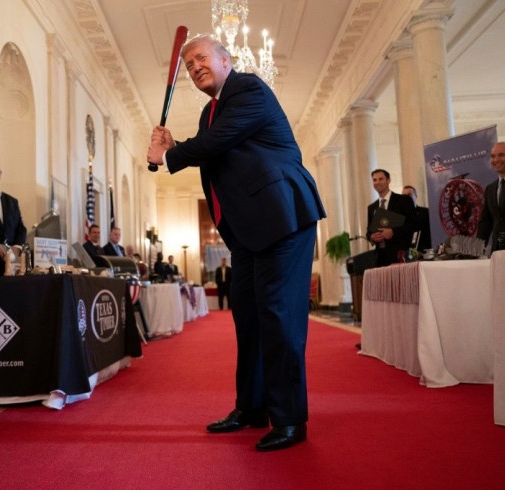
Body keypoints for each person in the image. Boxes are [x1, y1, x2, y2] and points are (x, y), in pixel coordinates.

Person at [147, 34, 326, 452]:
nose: (194, 67)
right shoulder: (211, 112)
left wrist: (167, 157)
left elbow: (215, 144)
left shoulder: (248, 87)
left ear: (226, 60)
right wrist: (174, 146)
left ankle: (289, 419)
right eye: (189, 65)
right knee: (247, 319)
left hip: (282, 218)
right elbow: (213, 152)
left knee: (280, 320)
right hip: (247, 232)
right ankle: (252, 407)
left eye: (201, 58)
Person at [0, 158, 27, 276]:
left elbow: (21, 228)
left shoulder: (12, 201)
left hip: (12, 264)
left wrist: (17, 248)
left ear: (0, 174)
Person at [367, 169, 416, 267]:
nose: (377, 182)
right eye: (374, 180)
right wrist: (372, 237)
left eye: (381, 179)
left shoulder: (403, 200)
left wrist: (393, 231)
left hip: (401, 255)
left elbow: (413, 224)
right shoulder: (372, 207)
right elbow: (368, 231)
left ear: (388, 180)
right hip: (380, 257)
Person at [401, 185, 432, 251]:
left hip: (423, 251)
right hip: (405, 253)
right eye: (404, 195)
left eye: (409, 194)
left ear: (415, 196)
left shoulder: (425, 212)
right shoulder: (399, 216)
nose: (406, 197)